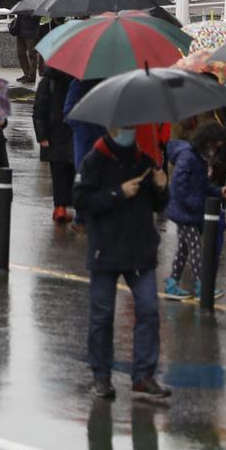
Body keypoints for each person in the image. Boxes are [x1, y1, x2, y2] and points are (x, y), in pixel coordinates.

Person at [76, 123, 172, 402]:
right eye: (124, 125)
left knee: (149, 310)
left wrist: (161, 188)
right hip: (105, 249)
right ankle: (101, 376)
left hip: (140, 249)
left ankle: (143, 376)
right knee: (102, 315)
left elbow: (158, 205)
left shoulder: (144, 160)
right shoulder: (95, 159)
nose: (130, 130)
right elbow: (81, 199)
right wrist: (117, 192)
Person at [164, 117, 226, 299]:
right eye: (215, 145)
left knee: (184, 249)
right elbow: (179, 185)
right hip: (185, 213)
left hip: (188, 211)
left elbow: (202, 185)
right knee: (195, 248)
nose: (215, 150)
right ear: (206, 142)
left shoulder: (199, 159)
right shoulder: (189, 157)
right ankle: (202, 285)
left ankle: (172, 282)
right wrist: (195, 204)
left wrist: (217, 191)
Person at [32, 65, 79, 225]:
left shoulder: (47, 81)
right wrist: (42, 135)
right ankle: (67, 208)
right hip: (69, 133)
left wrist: (42, 135)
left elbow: (39, 110)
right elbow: (39, 110)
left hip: (54, 135)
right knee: (72, 172)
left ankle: (60, 207)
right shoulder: (77, 80)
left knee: (59, 173)